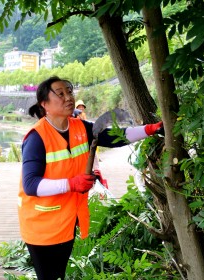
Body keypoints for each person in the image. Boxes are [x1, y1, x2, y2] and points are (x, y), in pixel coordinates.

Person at [18, 76, 163, 280]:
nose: (68, 97)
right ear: (44, 104)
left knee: (58, 274)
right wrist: (72, 183)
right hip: (41, 224)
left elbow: (114, 136)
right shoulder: (36, 138)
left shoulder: (80, 127)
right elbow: (31, 185)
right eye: (60, 93)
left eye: (69, 91)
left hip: (67, 221)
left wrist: (149, 130)